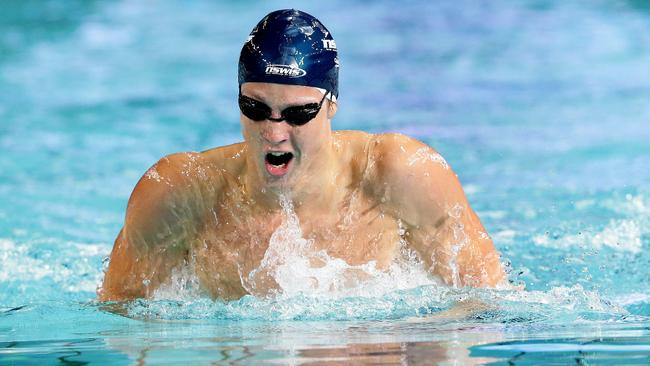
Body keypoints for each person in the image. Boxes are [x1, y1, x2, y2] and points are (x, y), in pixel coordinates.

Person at [98, 9, 505, 301]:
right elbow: (118, 322)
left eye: (298, 114)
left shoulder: (399, 175)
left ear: (331, 105)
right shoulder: (181, 193)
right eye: (255, 109)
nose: (274, 133)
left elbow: (488, 306)